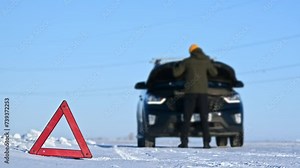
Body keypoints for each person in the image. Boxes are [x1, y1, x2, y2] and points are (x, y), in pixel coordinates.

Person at [173, 44, 218, 148]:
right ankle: (206, 143)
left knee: (187, 118)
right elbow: (214, 73)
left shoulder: (187, 61)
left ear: (191, 52)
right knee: (204, 118)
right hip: (203, 93)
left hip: (190, 93)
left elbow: (176, 73)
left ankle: (184, 142)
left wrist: (176, 65)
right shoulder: (206, 61)